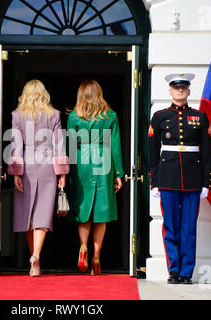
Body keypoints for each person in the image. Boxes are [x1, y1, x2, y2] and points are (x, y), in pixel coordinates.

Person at [148, 73, 211, 284]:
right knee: (171, 226)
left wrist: (206, 182)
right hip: (167, 178)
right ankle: (173, 270)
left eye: (183, 88)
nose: (180, 91)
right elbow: (152, 151)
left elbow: (207, 153)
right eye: (176, 88)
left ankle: (187, 272)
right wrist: (154, 181)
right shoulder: (159, 116)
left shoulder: (200, 117)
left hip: (193, 179)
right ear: (170, 91)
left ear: (189, 91)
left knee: (188, 228)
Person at [7, 79, 69, 277]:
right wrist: (62, 173)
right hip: (47, 164)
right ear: (44, 94)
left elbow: (15, 145)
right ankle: (36, 255)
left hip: (26, 163)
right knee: (43, 213)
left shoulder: (17, 115)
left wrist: (16, 172)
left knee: (27, 214)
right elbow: (59, 144)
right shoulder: (54, 114)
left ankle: (33, 255)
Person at [67, 79, 124, 275]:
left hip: (81, 161)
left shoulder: (74, 116)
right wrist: (119, 174)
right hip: (104, 159)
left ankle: (83, 246)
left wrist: (69, 172)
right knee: (102, 212)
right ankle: (97, 255)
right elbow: (115, 146)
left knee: (84, 209)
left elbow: (71, 147)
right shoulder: (110, 116)